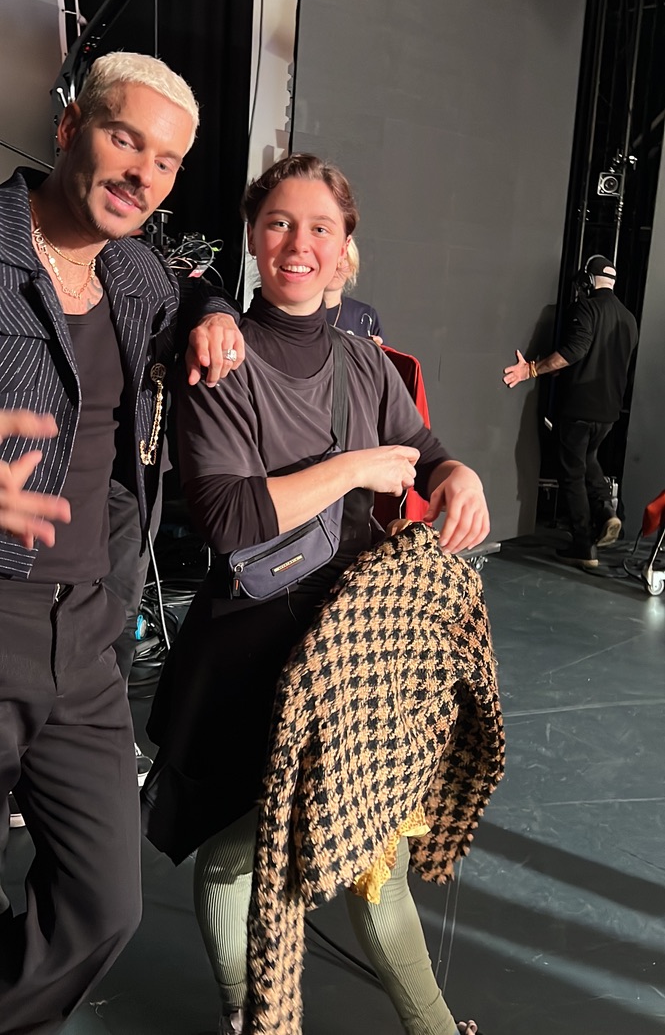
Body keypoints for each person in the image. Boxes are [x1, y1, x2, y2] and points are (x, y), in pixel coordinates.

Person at [142, 153, 489, 1035]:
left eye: (319, 228)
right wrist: (354, 469)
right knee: (236, 854)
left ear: (344, 250)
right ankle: (247, 1013)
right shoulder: (220, 357)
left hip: (349, 653)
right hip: (252, 649)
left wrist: (457, 473)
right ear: (254, 239)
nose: (298, 243)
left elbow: (423, 447)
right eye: (279, 223)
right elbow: (228, 519)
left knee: (375, 854)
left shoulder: (362, 362)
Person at [0, 50, 244, 1034]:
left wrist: (213, 311)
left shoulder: (137, 272)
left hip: (89, 629)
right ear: (70, 129)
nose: (143, 174)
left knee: (103, 905)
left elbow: (190, 282)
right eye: (123, 139)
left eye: (167, 161)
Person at [502, 254, 638, 570]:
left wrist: (531, 369)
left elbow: (574, 351)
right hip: (608, 412)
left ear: (588, 281)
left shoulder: (586, 308)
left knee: (572, 474)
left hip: (579, 408)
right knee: (588, 458)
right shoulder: (629, 319)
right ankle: (606, 511)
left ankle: (583, 545)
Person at [324, 235, 384, 341]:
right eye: (330, 257)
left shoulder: (366, 316)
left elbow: (383, 351)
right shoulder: (295, 311)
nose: (337, 265)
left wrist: (372, 350)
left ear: (352, 267)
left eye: (344, 258)